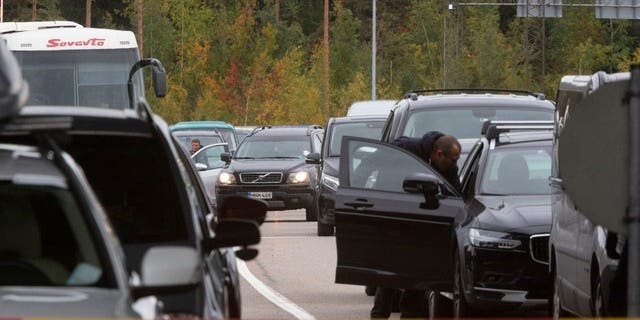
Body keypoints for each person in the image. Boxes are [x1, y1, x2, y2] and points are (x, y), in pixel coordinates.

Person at [370, 131, 461, 320]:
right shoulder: (405, 150)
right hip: (394, 219)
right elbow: (372, 166)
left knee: (418, 274)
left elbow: (455, 194)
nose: (454, 164)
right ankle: (379, 315)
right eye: (452, 160)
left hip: (422, 224)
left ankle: (409, 315)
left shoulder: (448, 166)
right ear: (438, 153)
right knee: (390, 273)